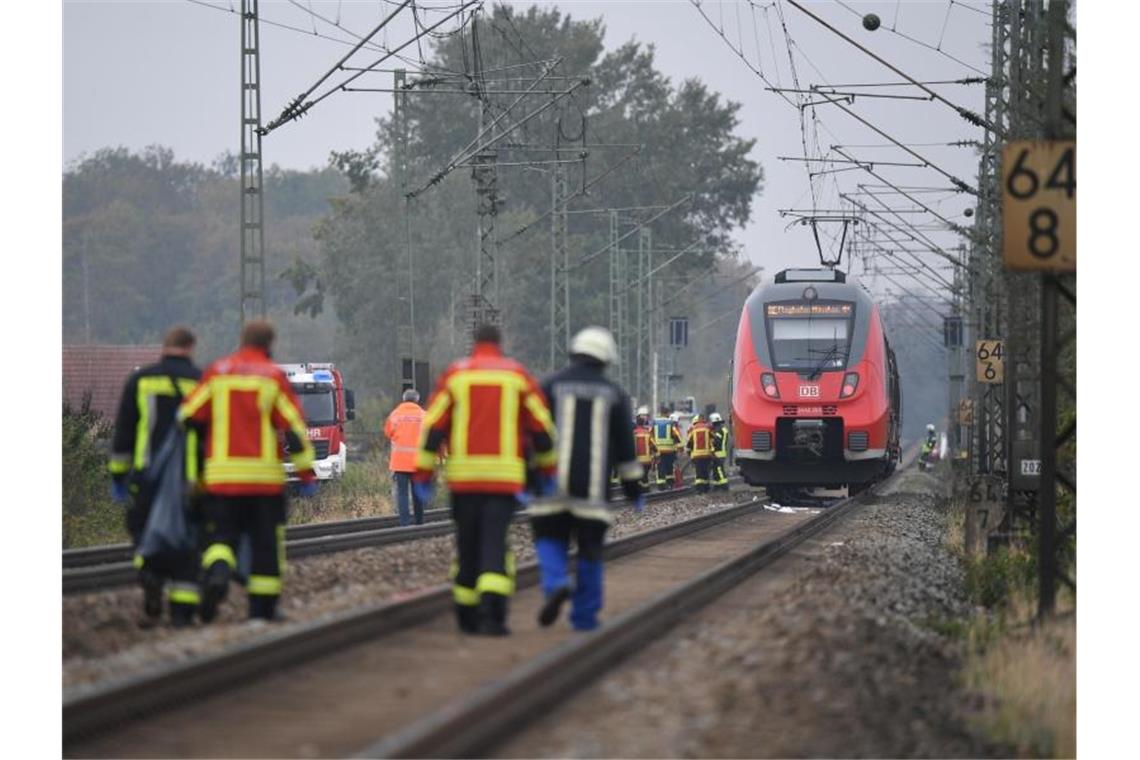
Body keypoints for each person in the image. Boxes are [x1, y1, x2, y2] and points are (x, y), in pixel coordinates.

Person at [413, 323, 557, 636]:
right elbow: (543, 430)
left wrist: (424, 474)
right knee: (495, 542)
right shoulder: (517, 376)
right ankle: (493, 615)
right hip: (504, 481)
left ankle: (466, 615)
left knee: (467, 544)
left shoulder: (455, 375)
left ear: (474, 343)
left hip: (464, 480)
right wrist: (547, 472)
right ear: (499, 343)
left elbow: (433, 428)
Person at [177, 320, 317, 623]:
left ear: (241, 339)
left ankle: (218, 572)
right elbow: (294, 429)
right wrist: (306, 473)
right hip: (263, 483)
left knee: (220, 539)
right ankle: (261, 611)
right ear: (270, 343)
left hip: (221, 480)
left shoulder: (217, 372)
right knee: (265, 544)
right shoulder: (273, 377)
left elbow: (188, 415)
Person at [530, 327, 644, 631]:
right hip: (593, 495)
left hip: (550, 488)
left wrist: (528, 478)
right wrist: (634, 491)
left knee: (550, 539)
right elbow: (625, 451)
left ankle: (555, 583)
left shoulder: (548, 387)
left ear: (573, 351)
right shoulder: (616, 395)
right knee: (590, 553)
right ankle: (584, 618)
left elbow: (529, 435)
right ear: (606, 359)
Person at [108, 326, 203, 628]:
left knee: (145, 532)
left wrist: (119, 477)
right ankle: (181, 613)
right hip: (190, 481)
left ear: (165, 346)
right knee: (188, 542)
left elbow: (124, 431)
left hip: (146, 477)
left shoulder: (141, 380)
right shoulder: (201, 382)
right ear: (191, 347)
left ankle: (150, 576)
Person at [384, 388, 426, 525]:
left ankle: (404, 524)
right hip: (419, 462)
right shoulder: (424, 416)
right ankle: (419, 522)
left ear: (403, 399)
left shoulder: (395, 415)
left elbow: (388, 433)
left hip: (400, 462)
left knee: (402, 494)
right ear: (417, 400)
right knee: (417, 493)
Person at [651, 408, 683, 491]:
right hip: (669, 450)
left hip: (658, 451)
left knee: (660, 467)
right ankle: (670, 484)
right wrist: (680, 446)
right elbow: (676, 435)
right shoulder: (670, 422)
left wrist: (652, 448)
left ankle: (661, 486)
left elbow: (650, 435)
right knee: (669, 468)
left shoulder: (654, 422)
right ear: (667, 413)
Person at [686, 413, 714, 493]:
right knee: (705, 471)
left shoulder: (693, 428)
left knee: (699, 472)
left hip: (697, 455)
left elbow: (689, 442)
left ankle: (699, 489)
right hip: (707, 454)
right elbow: (713, 438)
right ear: (703, 419)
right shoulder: (708, 427)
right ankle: (706, 488)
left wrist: (688, 451)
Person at [632, 406, 656, 494]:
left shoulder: (633, 433)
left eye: (646, 415)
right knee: (644, 476)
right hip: (647, 460)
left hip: (636, 460)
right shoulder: (647, 432)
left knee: (639, 476)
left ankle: (642, 490)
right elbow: (653, 444)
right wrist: (657, 453)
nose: (645, 417)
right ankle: (646, 490)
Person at [709, 412, 730, 491]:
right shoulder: (724, 429)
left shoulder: (717, 430)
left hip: (717, 453)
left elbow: (716, 442)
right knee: (716, 470)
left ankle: (724, 485)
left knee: (719, 469)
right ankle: (716, 486)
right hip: (723, 452)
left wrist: (712, 450)